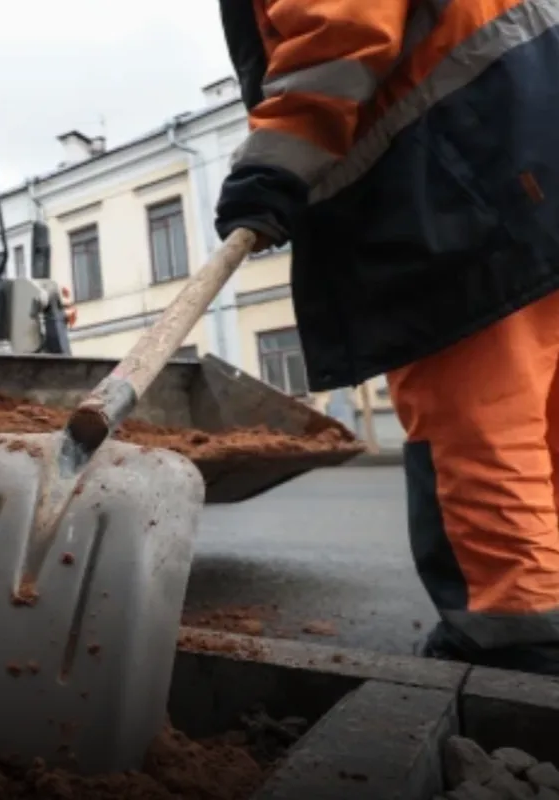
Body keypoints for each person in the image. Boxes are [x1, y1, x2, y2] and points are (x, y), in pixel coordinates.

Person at [215, 0, 559, 675]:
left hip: (458, 175)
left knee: (477, 423)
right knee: (544, 411)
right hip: (526, 145)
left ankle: (517, 639)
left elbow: (340, 25)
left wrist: (273, 163)